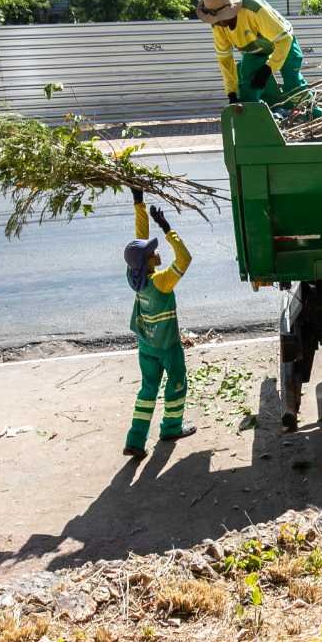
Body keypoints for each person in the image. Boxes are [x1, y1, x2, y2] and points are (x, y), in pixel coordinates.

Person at [122, 188, 195, 460]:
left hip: (146, 344)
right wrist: (167, 228)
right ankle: (171, 428)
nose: (156, 252)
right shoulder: (161, 281)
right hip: (167, 346)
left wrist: (138, 202)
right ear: (148, 261)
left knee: (148, 389)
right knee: (176, 382)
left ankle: (135, 439)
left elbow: (138, 242)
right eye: (153, 253)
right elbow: (185, 259)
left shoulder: (135, 276)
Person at [195, 0, 312, 119]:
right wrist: (232, 93)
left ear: (230, 10)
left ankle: (314, 114)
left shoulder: (253, 8)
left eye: (220, 18)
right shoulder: (217, 25)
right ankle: (266, 119)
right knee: (248, 87)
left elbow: (284, 40)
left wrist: (268, 69)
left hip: (283, 42)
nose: (218, 23)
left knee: (293, 83)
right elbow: (225, 60)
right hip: (255, 50)